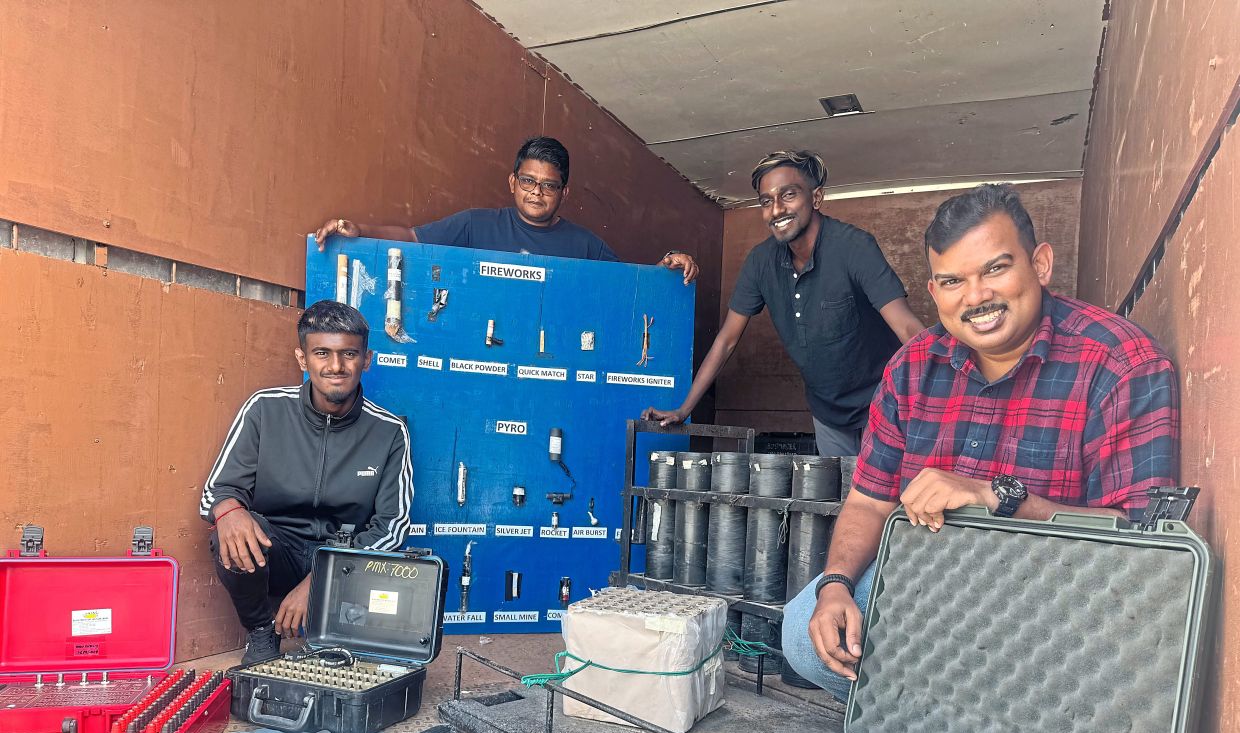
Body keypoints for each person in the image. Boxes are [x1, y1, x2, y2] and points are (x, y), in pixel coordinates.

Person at [781, 183, 1180, 699]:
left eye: (995, 269)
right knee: (805, 631)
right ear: (934, 291)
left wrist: (996, 496)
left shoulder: (1121, 363)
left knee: (1005, 681)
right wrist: (835, 586)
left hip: (1055, 608)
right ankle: (933, 716)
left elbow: (1146, 539)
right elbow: (867, 501)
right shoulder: (911, 367)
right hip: (927, 586)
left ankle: (955, 719)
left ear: (1040, 264)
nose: (976, 297)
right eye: (953, 281)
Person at [642, 150, 924, 455]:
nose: (776, 209)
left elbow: (907, 328)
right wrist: (684, 410)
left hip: (885, 401)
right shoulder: (761, 261)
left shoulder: (854, 246)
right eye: (766, 201)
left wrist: (951, 395)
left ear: (816, 198)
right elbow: (727, 340)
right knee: (843, 500)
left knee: (890, 497)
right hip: (827, 412)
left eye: (788, 195)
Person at [199, 301, 414, 665]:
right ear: (303, 359)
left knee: (383, 568)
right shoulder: (265, 408)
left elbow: (392, 527)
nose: (335, 366)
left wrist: (321, 580)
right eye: (322, 353)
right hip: (278, 548)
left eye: (349, 354)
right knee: (228, 527)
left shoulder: (390, 432)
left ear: (367, 360)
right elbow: (215, 493)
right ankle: (261, 632)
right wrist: (229, 510)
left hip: (343, 559)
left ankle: (332, 631)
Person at [313, 136, 698, 284]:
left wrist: (665, 266)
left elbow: (629, 284)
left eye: (549, 185)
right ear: (513, 182)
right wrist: (358, 229)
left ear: (564, 192)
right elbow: (413, 237)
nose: (537, 192)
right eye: (528, 181)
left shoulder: (585, 245)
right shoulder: (474, 224)